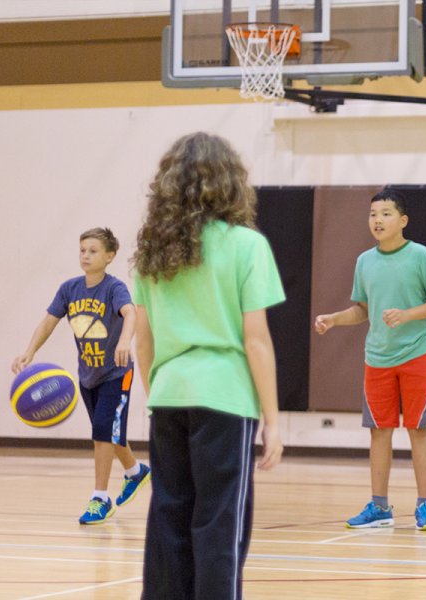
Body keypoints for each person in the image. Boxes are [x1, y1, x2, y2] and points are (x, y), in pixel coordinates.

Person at [132, 132, 285, 599]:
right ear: (230, 183)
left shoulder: (151, 254)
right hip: (225, 398)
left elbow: (144, 341)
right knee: (220, 524)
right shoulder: (246, 245)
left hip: (168, 394)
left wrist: (158, 393)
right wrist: (273, 422)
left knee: (168, 519)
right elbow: (255, 341)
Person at [314, 188, 426, 531]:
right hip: (377, 358)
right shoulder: (365, 262)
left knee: (419, 429)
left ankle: (424, 506)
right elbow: (362, 310)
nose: (378, 220)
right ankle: (379, 507)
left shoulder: (421, 256)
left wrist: (407, 315)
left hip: (418, 354)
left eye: (386, 213)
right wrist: (333, 319)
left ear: (402, 221)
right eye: (373, 214)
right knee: (379, 431)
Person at [12, 227, 150, 525]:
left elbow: (131, 314)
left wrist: (126, 341)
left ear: (110, 256)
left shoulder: (114, 289)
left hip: (116, 372)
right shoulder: (69, 289)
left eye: (93, 251)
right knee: (110, 435)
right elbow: (49, 321)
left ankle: (100, 498)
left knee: (102, 431)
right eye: (82, 250)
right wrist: (30, 351)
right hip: (88, 375)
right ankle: (135, 472)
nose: (86, 255)